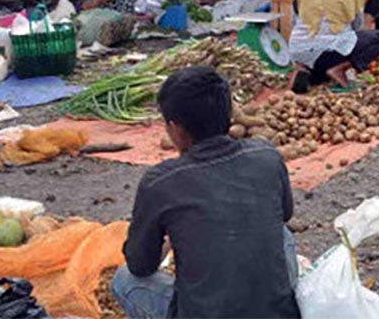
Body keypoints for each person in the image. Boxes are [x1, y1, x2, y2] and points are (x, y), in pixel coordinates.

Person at [114, 66, 300, 319]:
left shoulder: (160, 182)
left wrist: (169, 241)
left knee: (124, 280)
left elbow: (140, 265)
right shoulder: (265, 154)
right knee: (282, 233)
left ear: (176, 129)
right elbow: (284, 213)